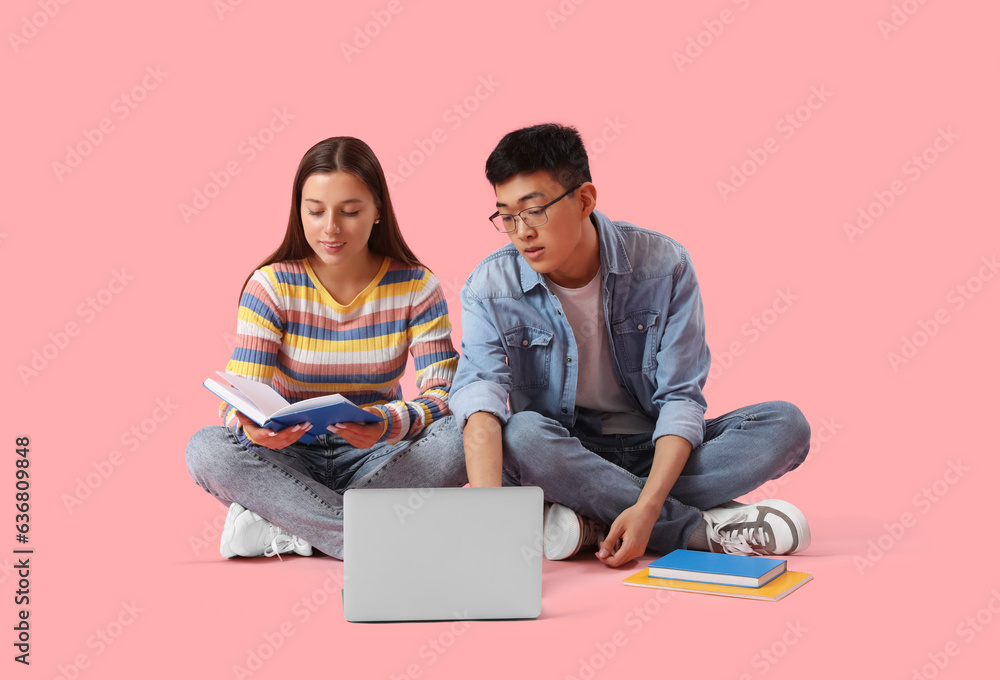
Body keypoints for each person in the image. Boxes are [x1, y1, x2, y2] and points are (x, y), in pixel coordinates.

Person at [450, 123, 811, 568]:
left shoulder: (664, 265)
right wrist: (491, 527)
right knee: (521, 436)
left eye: (535, 211)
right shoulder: (489, 287)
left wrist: (648, 502)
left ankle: (593, 517)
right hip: (562, 450)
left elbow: (680, 398)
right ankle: (698, 531)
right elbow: (480, 397)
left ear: (584, 199)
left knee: (786, 425)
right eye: (506, 216)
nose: (521, 231)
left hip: (653, 445)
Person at [186, 136, 467, 559]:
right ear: (299, 211)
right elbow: (239, 391)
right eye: (315, 212)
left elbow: (444, 393)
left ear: (377, 212)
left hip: (378, 457)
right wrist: (248, 425)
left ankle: (295, 525)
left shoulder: (416, 286)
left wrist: (386, 422)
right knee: (206, 448)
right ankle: (366, 535)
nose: (330, 228)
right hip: (288, 457)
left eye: (350, 212)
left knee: (466, 433)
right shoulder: (272, 285)